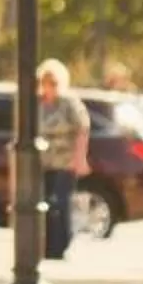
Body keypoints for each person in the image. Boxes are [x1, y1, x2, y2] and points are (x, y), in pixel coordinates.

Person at [34, 58, 91, 258]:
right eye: (45, 82)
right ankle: (46, 245)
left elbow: (82, 128)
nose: (49, 87)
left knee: (60, 202)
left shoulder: (68, 103)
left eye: (53, 83)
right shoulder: (38, 104)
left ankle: (61, 245)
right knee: (44, 203)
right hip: (43, 161)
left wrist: (80, 158)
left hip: (64, 160)